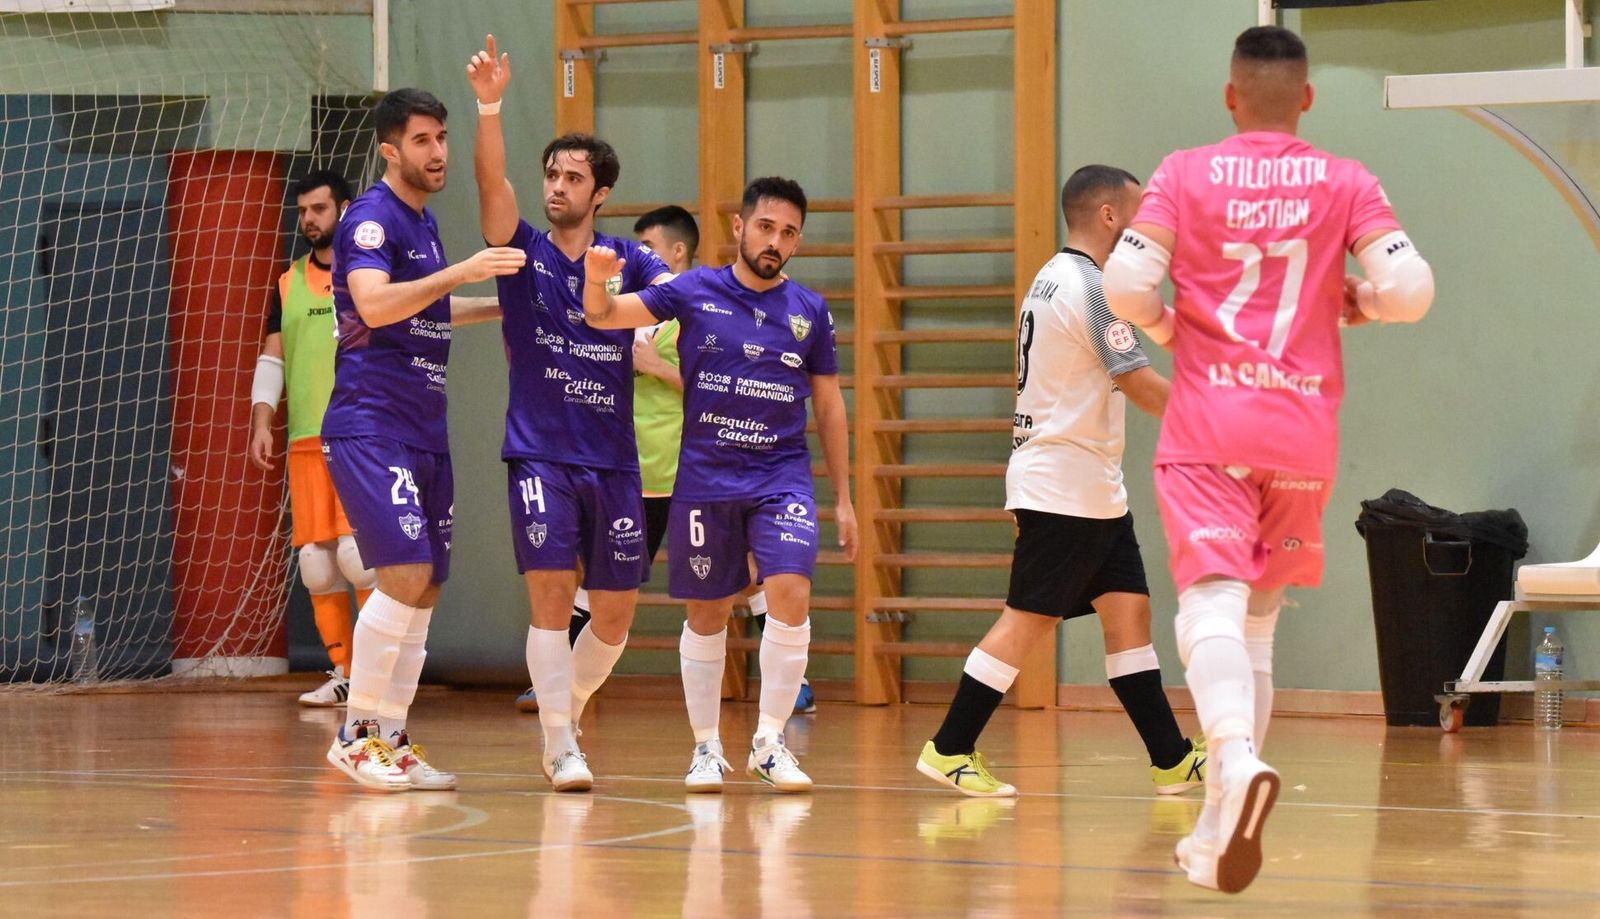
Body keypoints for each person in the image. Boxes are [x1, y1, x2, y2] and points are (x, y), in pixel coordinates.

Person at [1103, 25, 1433, 893]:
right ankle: (1216, 830)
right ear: (1309, 98)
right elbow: (1412, 290)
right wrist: (1360, 302)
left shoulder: (1184, 173)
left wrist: (1173, 329)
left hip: (1211, 418)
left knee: (1207, 603)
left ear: (1230, 95)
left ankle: (1237, 758)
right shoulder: (1346, 179)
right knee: (1258, 620)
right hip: (1302, 432)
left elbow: (1127, 289)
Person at [915, 165, 1205, 798]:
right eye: (1141, 215)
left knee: (1129, 614)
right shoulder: (1091, 286)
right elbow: (1137, 380)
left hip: (1090, 489)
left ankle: (1171, 758)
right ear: (1109, 217)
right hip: (1065, 489)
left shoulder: (1051, 278)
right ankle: (950, 747)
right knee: (1026, 622)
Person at [582, 176, 857, 793]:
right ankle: (706, 746)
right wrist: (597, 277)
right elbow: (602, 316)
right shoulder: (693, 288)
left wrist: (844, 498)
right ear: (739, 226)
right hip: (706, 476)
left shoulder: (809, 311)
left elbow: (831, 406)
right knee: (707, 613)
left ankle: (769, 741)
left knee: (789, 589)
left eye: (789, 233)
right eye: (766, 227)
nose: (775, 241)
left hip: (781, 475)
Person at [467, 36, 673, 792]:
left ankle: (567, 708)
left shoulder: (631, 257)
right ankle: (561, 743)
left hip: (615, 459)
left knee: (614, 615)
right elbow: (492, 183)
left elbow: (663, 300)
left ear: (601, 193)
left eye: (572, 177)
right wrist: (490, 104)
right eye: (552, 173)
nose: (557, 185)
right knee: (553, 597)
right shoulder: (522, 251)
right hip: (541, 453)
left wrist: (616, 301)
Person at [321, 86, 525, 792]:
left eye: (442, 137)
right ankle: (355, 733)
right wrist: (464, 269)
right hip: (371, 422)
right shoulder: (372, 221)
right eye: (423, 141)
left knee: (428, 583)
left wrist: (504, 309)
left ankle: (392, 735)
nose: (438, 152)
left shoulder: (425, 223)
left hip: (423, 427)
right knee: (402, 572)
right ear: (389, 149)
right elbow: (376, 305)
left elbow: (433, 306)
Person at [248, 169, 377, 707]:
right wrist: (261, 419)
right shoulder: (287, 281)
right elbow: (273, 355)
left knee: (359, 558)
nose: (308, 220)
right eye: (302, 211)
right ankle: (344, 670)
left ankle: (377, 675)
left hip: (358, 435)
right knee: (317, 566)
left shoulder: (369, 275)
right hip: (304, 438)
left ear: (344, 210)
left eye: (318, 209)